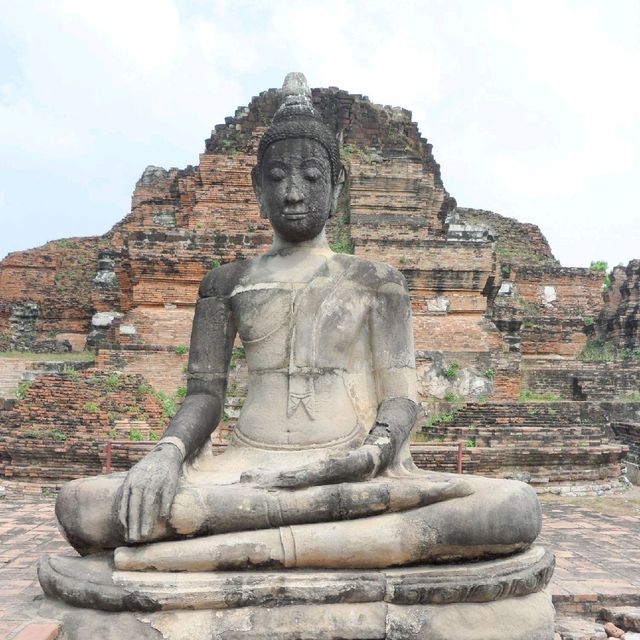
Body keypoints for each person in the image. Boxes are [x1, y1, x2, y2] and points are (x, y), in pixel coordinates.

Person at [55, 73, 541, 571]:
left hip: (351, 472)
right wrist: (166, 454)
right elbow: (205, 395)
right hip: (245, 473)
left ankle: (239, 553)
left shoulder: (378, 282)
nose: (292, 193)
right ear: (256, 187)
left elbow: (400, 397)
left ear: (336, 186)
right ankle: (321, 549)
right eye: (277, 177)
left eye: (311, 176)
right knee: (82, 506)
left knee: (511, 509)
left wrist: (371, 456)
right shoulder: (225, 283)